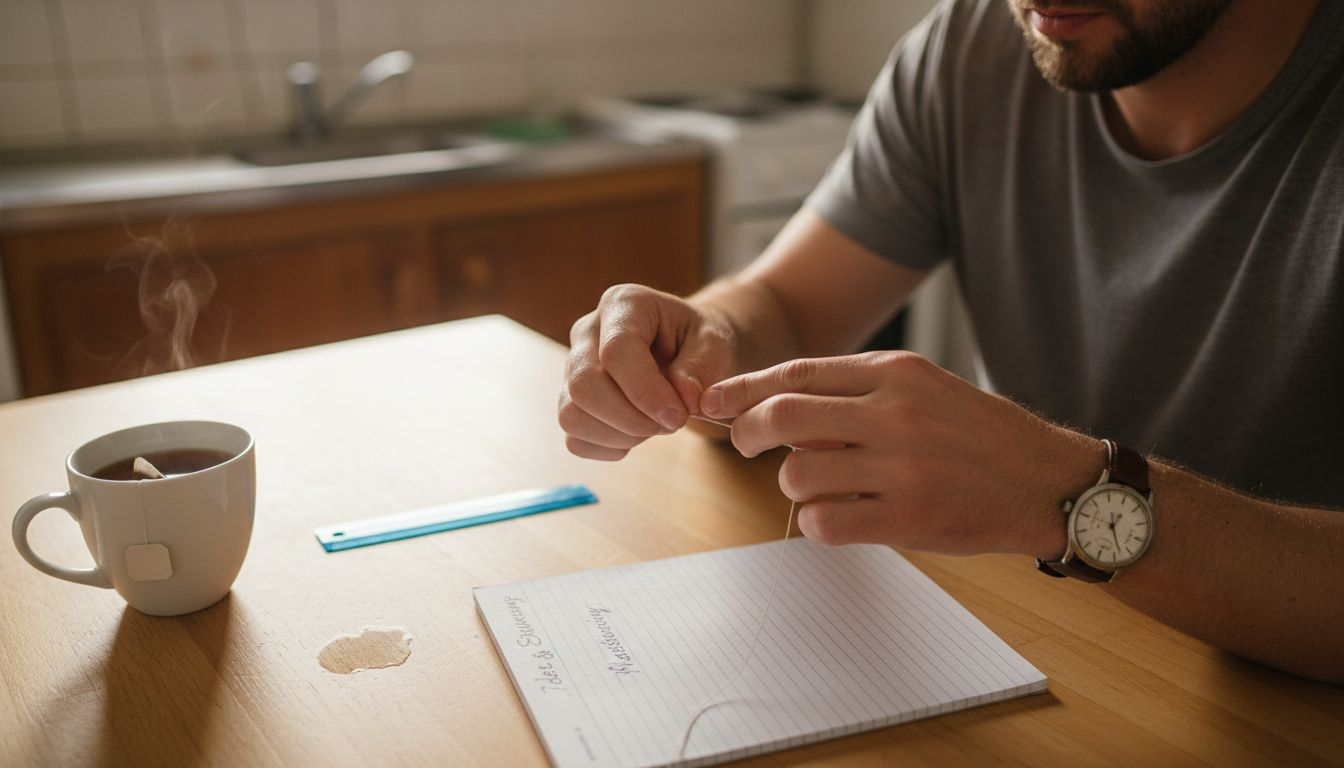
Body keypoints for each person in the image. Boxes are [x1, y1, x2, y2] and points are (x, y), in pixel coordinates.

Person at [557, 0, 1344, 684]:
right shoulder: (974, 49)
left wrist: (1054, 495)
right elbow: (784, 305)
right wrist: (706, 340)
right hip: (1046, 658)